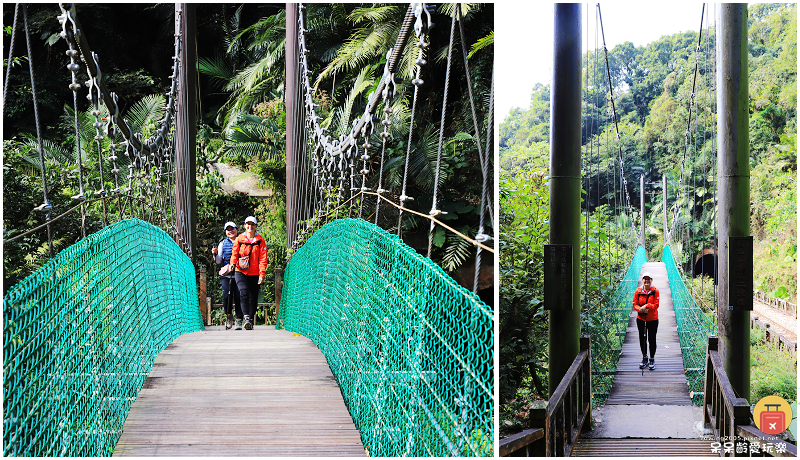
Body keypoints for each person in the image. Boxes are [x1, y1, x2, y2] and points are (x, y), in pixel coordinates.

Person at [230, 216, 268, 330]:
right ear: (245, 225)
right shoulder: (239, 239)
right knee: (243, 292)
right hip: (240, 271)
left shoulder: (260, 240)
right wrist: (232, 263)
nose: (250, 226)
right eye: (248, 224)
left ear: (256, 226)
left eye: (252, 224)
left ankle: (250, 320)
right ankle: (245, 317)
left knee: (253, 297)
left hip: (254, 273)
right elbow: (235, 253)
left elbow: (263, 258)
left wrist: (262, 274)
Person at [213, 221, 243, 330]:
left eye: (232, 229)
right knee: (226, 296)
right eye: (228, 230)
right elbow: (218, 261)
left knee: (239, 297)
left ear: (236, 229)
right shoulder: (222, 244)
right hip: (227, 274)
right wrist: (215, 254)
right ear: (225, 232)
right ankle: (228, 316)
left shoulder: (242, 241)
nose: (230, 231)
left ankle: (239, 319)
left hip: (240, 273)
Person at [632, 272, 660, 370]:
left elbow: (656, 305)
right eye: (645, 279)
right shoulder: (638, 291)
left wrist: (647, 306)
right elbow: (634, 303)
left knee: (652, 339)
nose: (647, 281)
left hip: (652, 319)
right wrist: (639, 309)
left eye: (649, 279)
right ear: (643, 280)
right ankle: (645, 357)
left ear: (651, 280)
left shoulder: (655, 291)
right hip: (641, 319)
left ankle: (652, 358)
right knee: (642, 338)